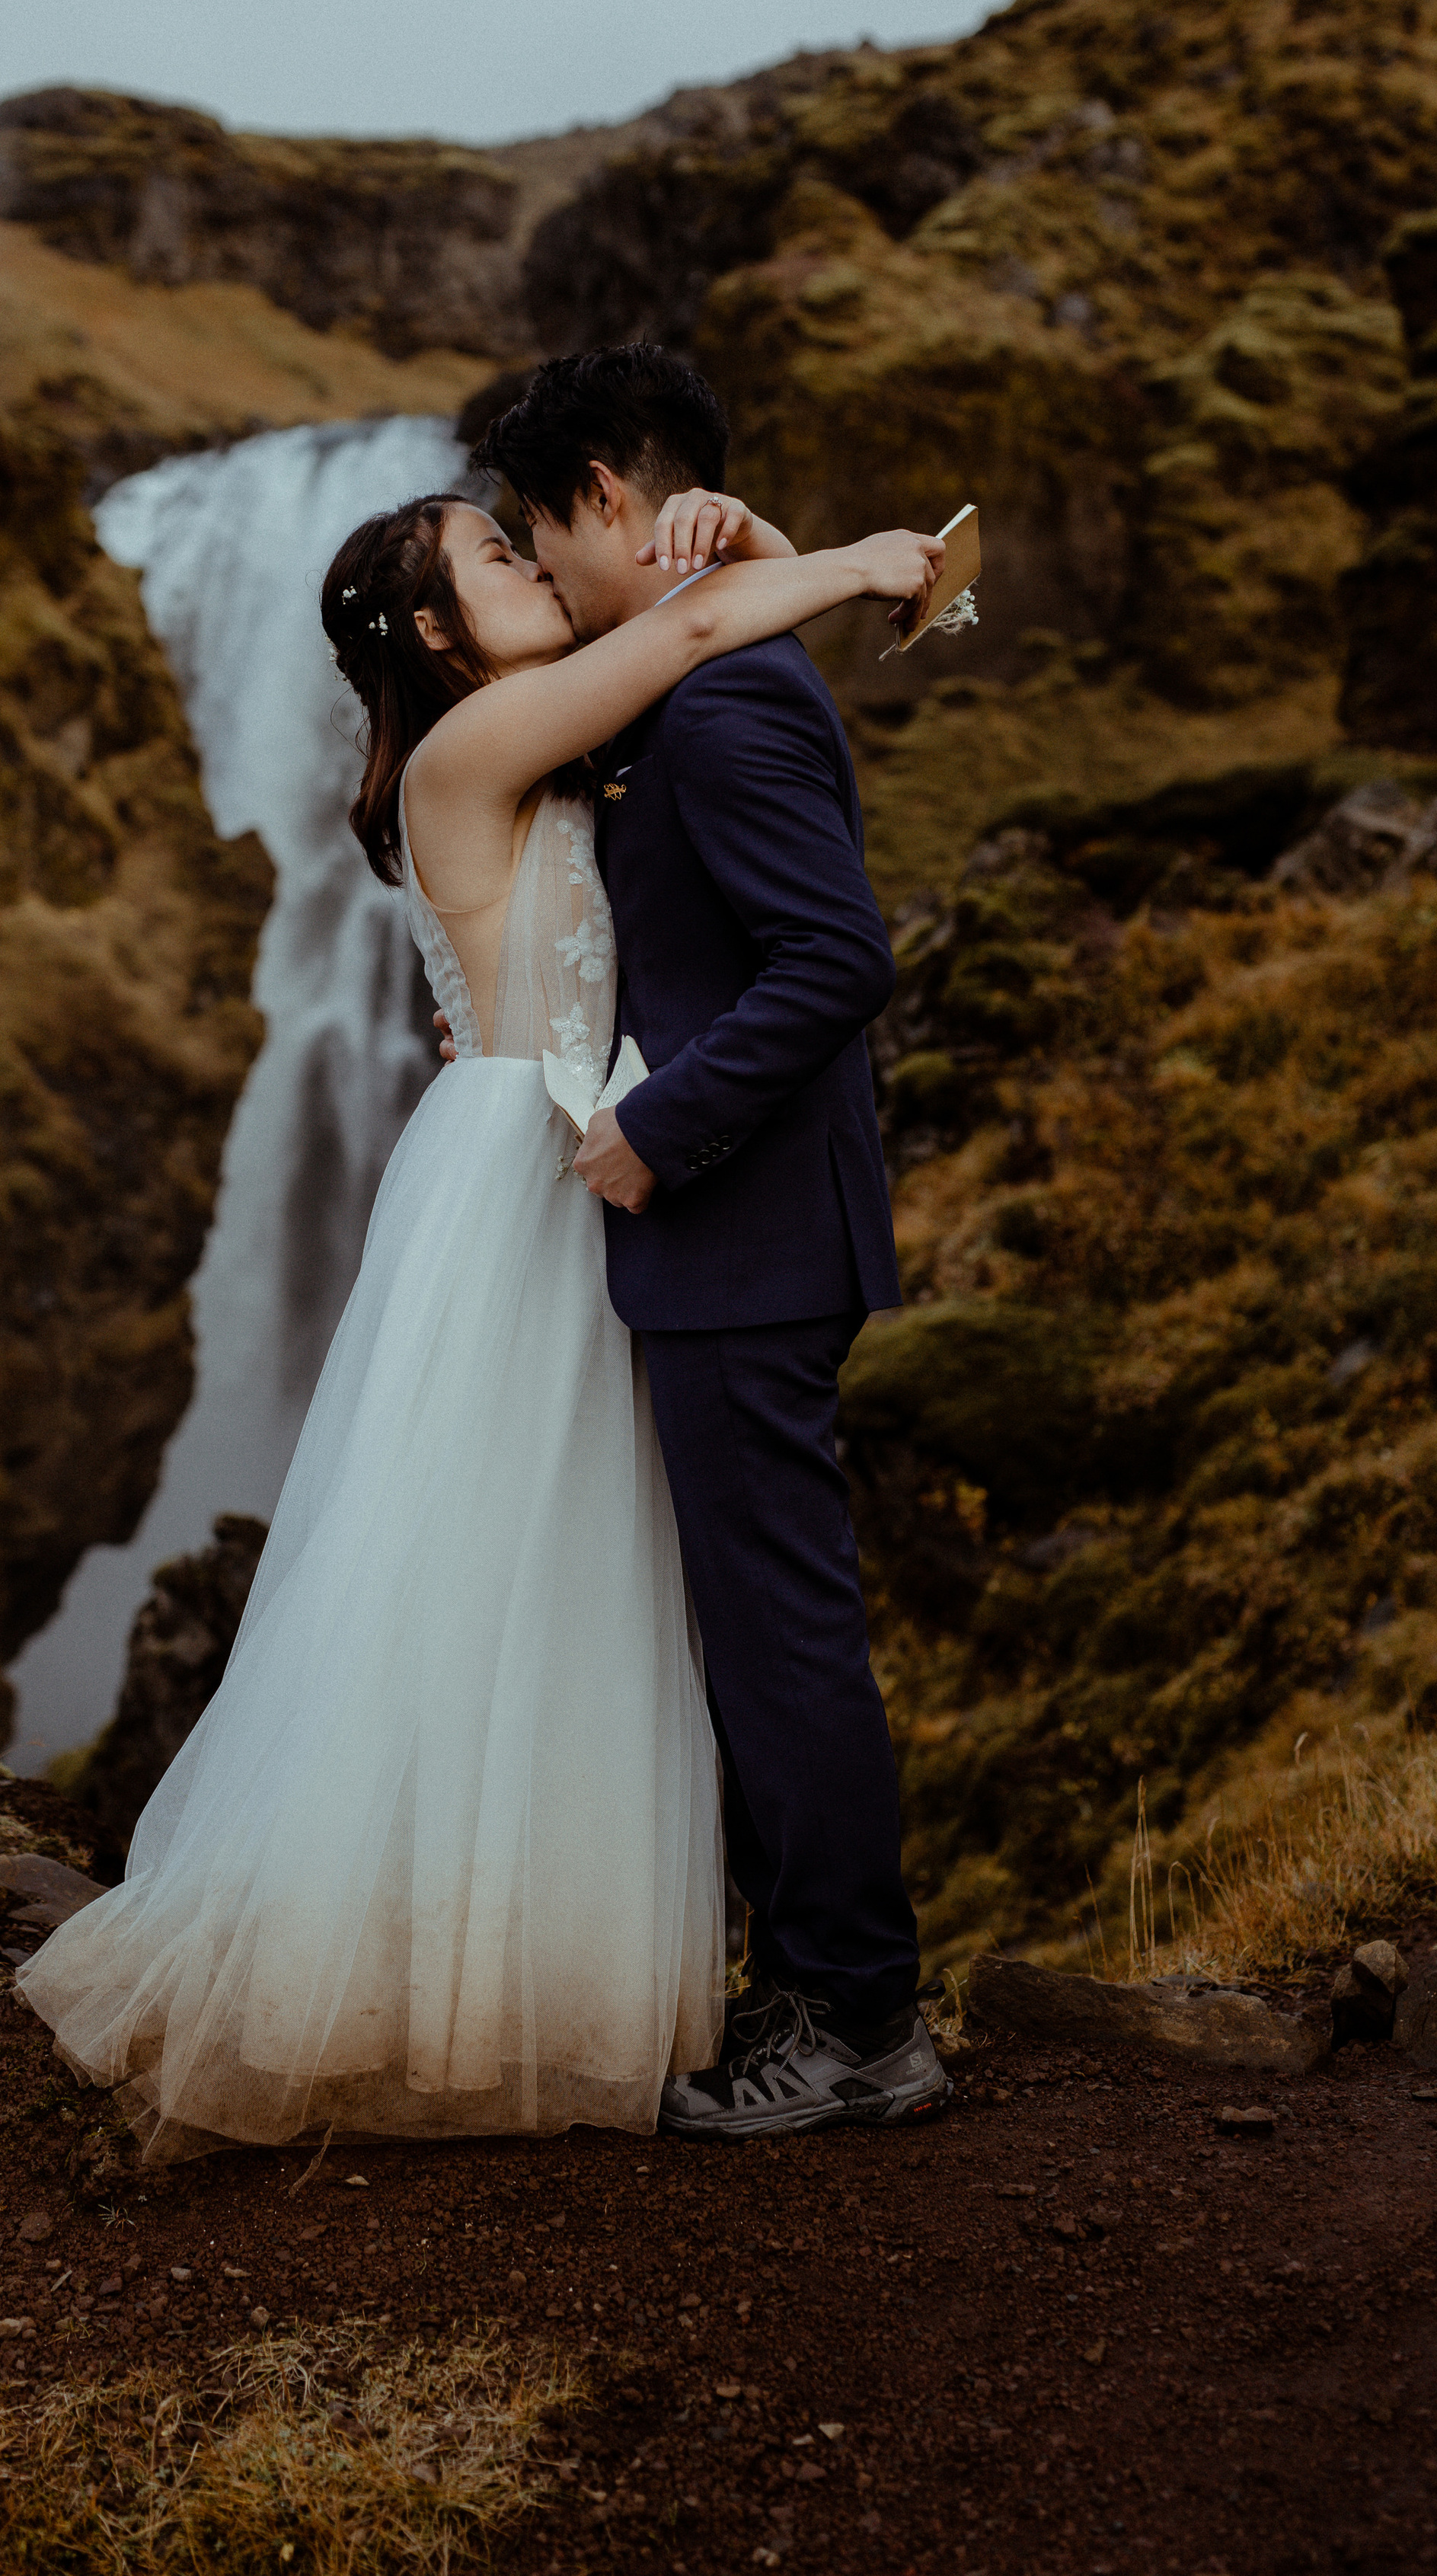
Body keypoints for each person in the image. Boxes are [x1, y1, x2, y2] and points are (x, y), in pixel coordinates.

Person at [15, 461, 941, 2156]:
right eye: (494, 557)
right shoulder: (470, 751)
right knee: (474, 1566)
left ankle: (558, 1972)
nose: (530, 565)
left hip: (572, 1157)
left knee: (578, 1576)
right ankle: (422, 1978)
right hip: (527, 1183)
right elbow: (699, 629)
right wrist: (861, 559)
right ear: (438, 635)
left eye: (525, 539)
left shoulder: (556, 746)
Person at [469, 344, 949, 2139]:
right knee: (755, 1627)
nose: (538, 563)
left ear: (602, 493)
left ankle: (858, 2018)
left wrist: (655, 1130)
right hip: (736, 1239)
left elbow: (837, 958)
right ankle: (811, 1987)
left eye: (535, 528)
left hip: (742, 1233)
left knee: (778, 1635)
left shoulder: (726, 700)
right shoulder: (694, 671)